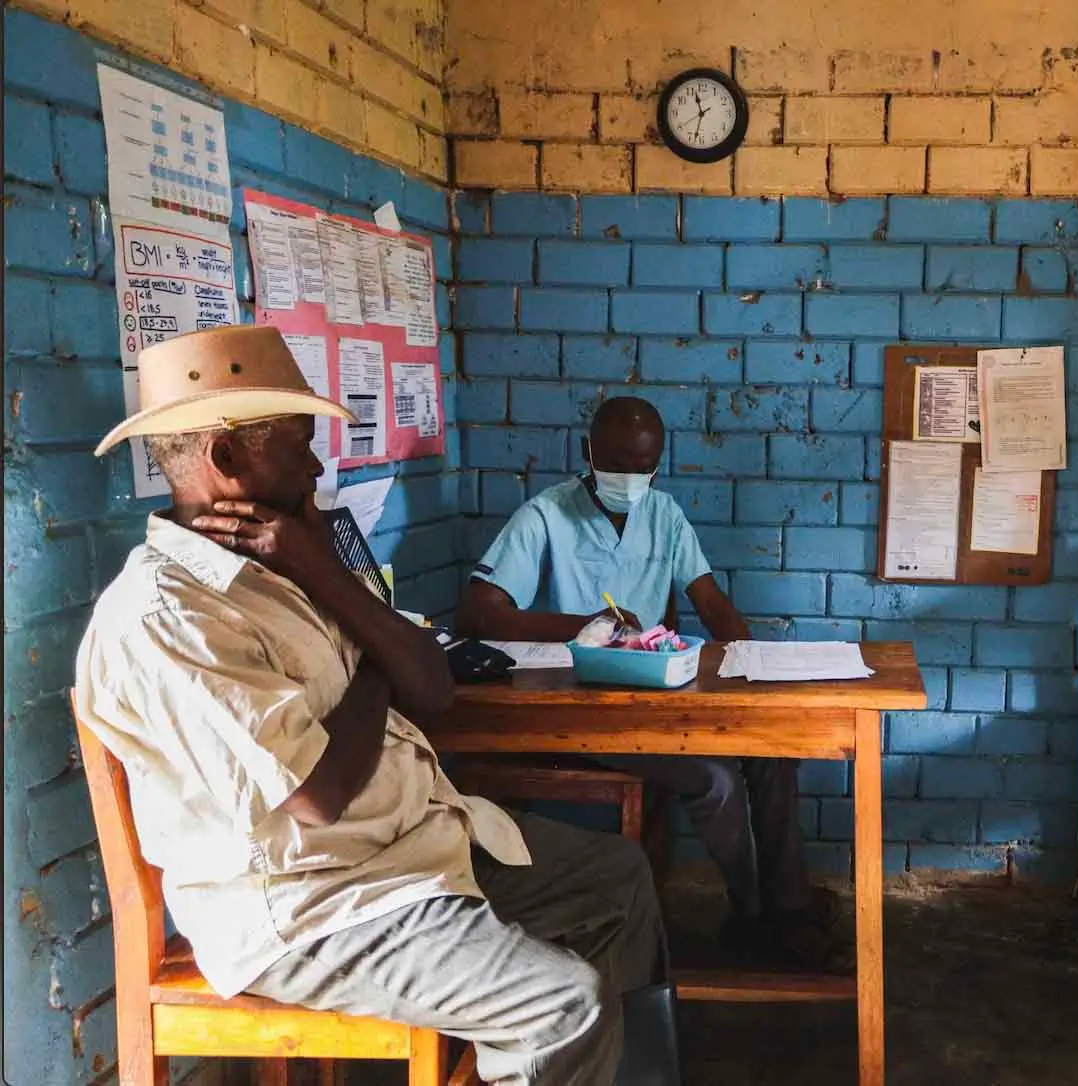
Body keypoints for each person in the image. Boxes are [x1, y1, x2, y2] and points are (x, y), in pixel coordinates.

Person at [75, 326, 669, 1086]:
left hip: (411, 846)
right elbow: (320, 794)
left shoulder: (286, 565)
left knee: (618, 876)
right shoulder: (168, 618)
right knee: (559, 1005)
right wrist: (374, 658)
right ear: (227, 460)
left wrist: (326, 576)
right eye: (298, 444)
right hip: (317, 906)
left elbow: (432, 686)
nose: (318, 465)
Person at [457, 395, 849, 972]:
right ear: (588, 452)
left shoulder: (663, 514)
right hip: (586, 715)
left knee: (773, 751)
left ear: (658, 463)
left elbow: (710, 601)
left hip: (657, 702)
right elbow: (479, 613)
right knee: (713, 778)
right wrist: (588, 626)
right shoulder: (545, 515)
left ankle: (786, 908)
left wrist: (752, 666)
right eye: (616, 464)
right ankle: (751, 912)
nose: (630, 479)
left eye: (643, 468)